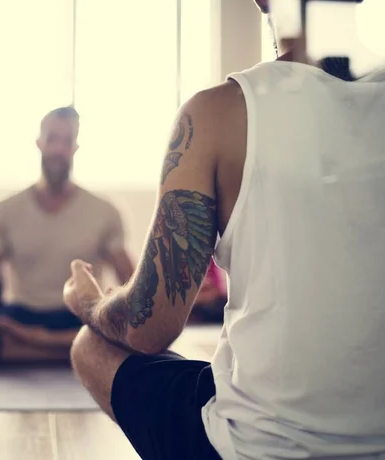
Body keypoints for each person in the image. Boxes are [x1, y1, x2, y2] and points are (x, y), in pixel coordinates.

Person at [62, 1, 385, 458]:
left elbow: (147, 328)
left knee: (90, 345)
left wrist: (88, 302)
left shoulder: (216, 113)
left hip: (254, 447)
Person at [0, 106, 134, 367]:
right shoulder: (3, 210)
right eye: (52, 139)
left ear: (75, 147)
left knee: (131, 330)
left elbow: (129, 281)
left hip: (78, 317)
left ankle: (29, 346)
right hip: (20, 316)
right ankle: (71, 352)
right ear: (39, 143)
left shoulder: (105, 211)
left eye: (67, 141)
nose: (59, 149)